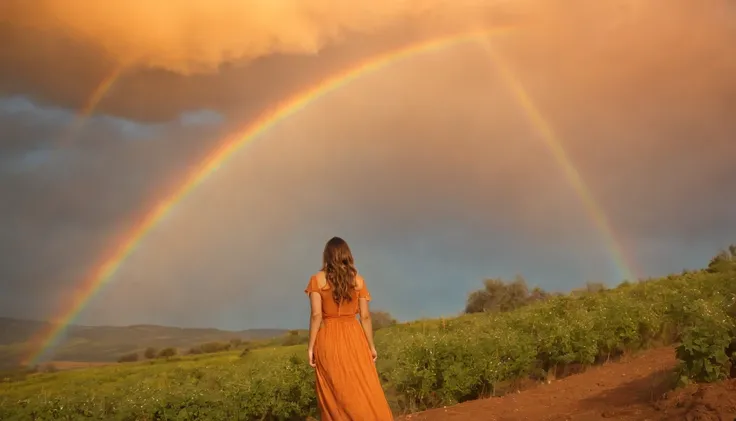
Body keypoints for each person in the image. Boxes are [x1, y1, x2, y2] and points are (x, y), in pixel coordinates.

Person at [305, 236, 394, 420]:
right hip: (355, 337)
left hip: (328, 338)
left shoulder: (317, 280)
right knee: (362, 386)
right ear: (347, 255)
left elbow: (316, 315)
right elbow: (366, 316)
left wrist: (311, 346)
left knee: (335, 391)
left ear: (327, 255)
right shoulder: (358, 281)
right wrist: (371, 345)